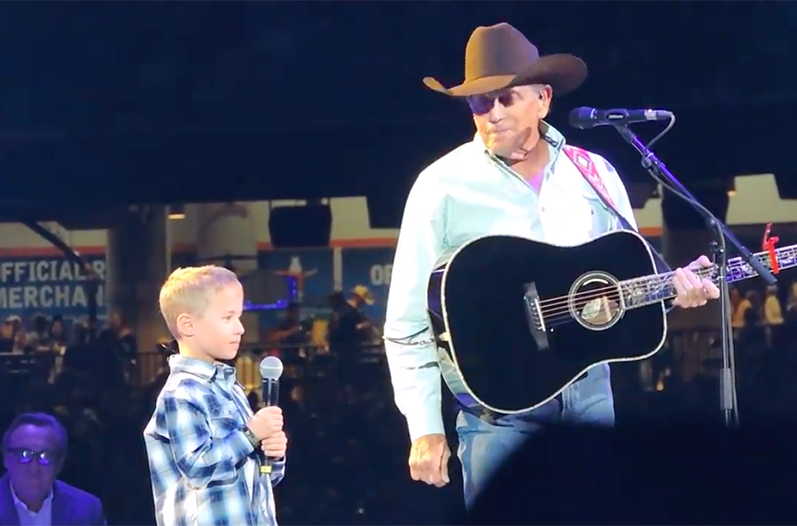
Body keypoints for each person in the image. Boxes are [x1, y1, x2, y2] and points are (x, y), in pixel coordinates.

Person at [382, 22, 720, 508]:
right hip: (496, 413)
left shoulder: (593, 173)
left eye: (505, 98)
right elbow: (406, 321)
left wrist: (673, 293)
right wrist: (424, 426)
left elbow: (621, 282)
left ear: (542, 99)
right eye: (479, 102)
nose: (491, 114)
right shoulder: (441, 186)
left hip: (589, 399)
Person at [143, 266, 288, 526]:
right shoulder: (181, 393)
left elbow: (258, 477)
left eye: (239, 317)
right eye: (227, 318)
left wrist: (272, 455)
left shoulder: (230, 388)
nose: (240, 328)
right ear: (187, 325)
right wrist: (252, 433)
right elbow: (198, 467)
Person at [0, 412, 106, 525]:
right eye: (24, 455)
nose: (34, 469)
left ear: (60, 463)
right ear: (6, 458)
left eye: (45, 456)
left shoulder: (87, 509)